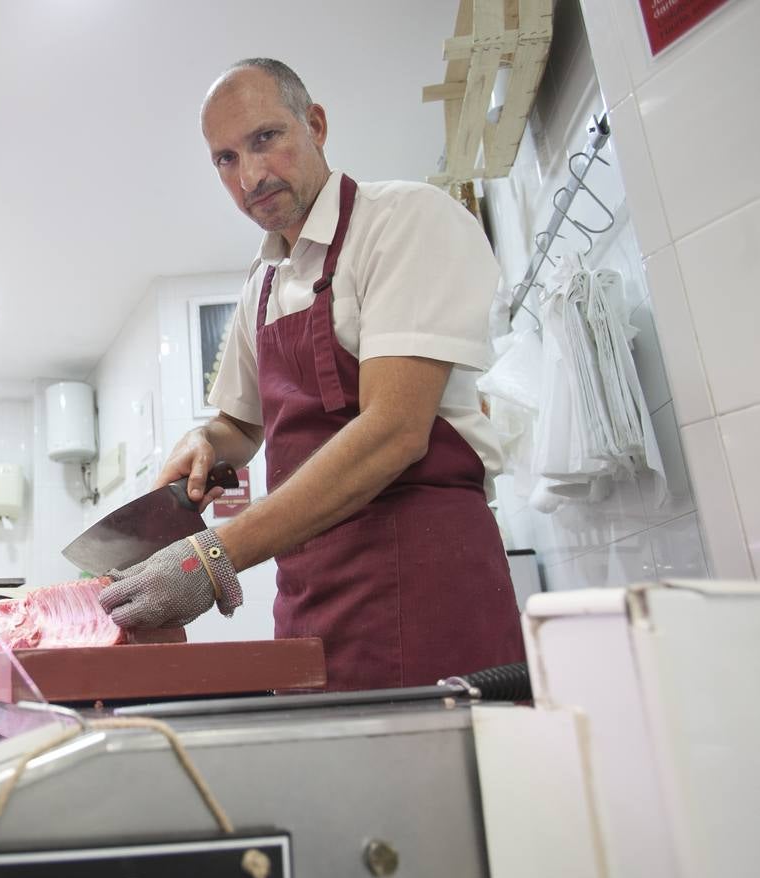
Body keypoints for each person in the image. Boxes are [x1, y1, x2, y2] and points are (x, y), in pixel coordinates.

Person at [98, 58, 525, 691]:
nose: (251, 175)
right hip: (309, 597)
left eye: (265, 138)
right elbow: (241, 425)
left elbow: (394, 430)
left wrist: (215, 554)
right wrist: (204, 442)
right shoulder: (261, 285)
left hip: (424, 574)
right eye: (225, 159)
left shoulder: (402, 221)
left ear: (315, 124)